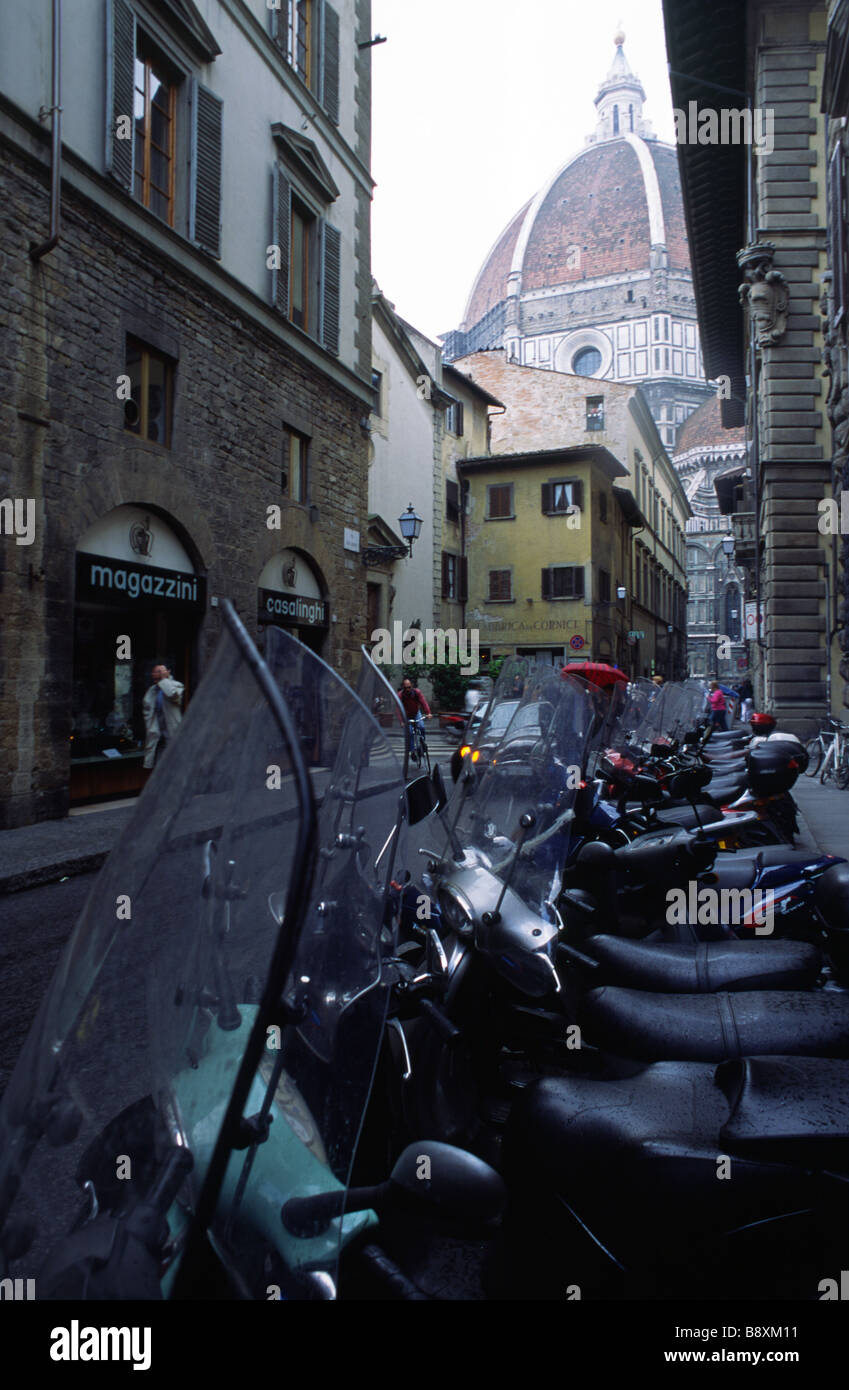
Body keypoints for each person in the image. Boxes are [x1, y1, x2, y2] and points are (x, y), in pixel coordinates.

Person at [143, 662, 184, 769]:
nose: (156, 674)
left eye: (160, 672)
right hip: (157, 737)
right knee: (158, 768)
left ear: (167, 672)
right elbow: (148, 713)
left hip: (172, 735)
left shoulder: (177, 685)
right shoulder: (151, 691)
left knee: (174, 767)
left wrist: (164, 679)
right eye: (155, 672)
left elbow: (172, 694)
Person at [397, 677, 432, 755]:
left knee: (422, 727)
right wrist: (401, 721)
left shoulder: (417, 692)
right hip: (407, 716)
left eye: (409, 687)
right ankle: (412, 751)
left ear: (411, 686)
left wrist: (428, 713)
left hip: (416, 713)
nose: (407, 689)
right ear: (403, 687)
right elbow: (398, 709)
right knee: (409, 732)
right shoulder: (400, 695)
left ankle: (422, 743)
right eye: (406, 688)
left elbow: (423, 702)